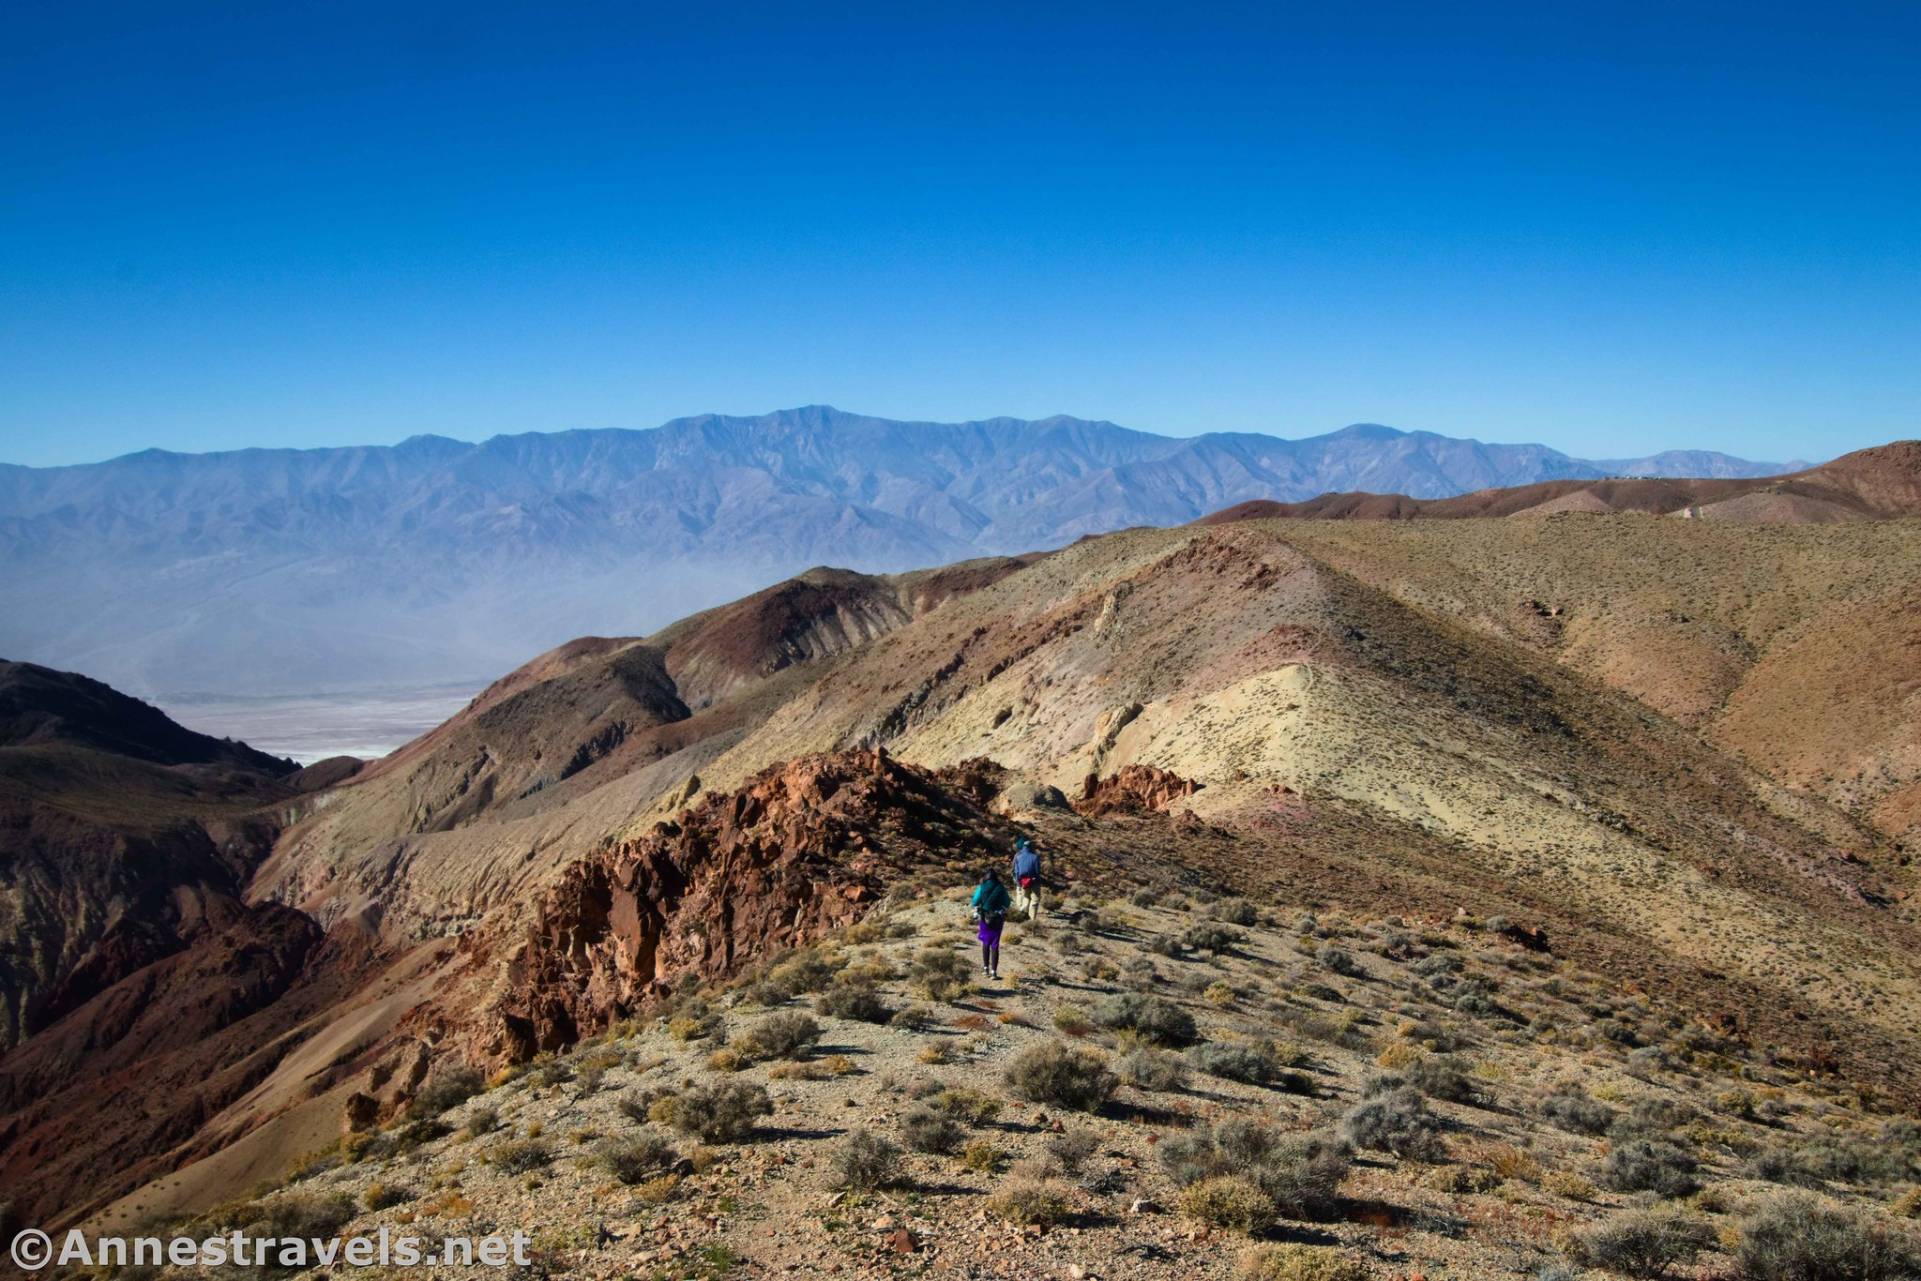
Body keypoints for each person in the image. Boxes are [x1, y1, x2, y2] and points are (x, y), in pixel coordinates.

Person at [971, 867, 1011, 979]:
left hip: (985, 917)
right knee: (995, 944)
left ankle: (986, 969)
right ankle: (994, 972)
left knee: (985, 942)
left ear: (985, 877)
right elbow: (1007, 903)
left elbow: (975, 901)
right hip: (998, 918)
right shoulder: (1000, 887)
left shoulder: (981, 887)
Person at [1011, 837, 1043, 920]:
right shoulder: (1035, 857)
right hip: (1034, 881)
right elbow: (1037, 871)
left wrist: (1019, 881)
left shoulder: (1018, 856)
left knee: (1025, 898)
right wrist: (1035, 879)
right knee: (1034, 900)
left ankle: (1023, 916)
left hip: (1023, 881)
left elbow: (1016, 871)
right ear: (1030, 847)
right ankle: (1032, 920)